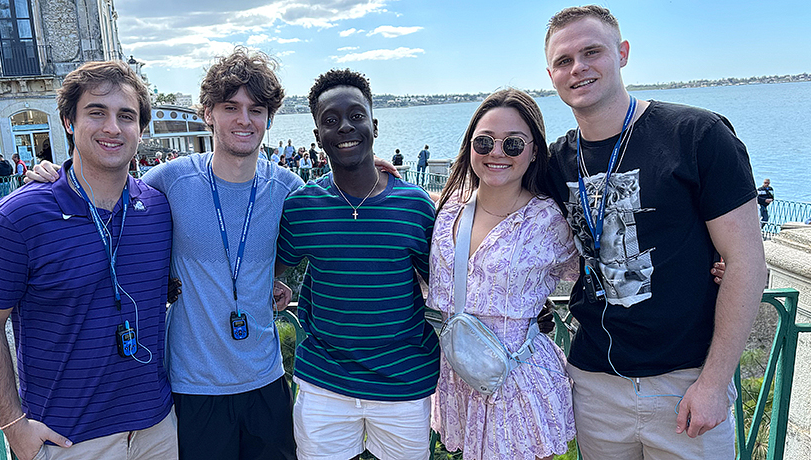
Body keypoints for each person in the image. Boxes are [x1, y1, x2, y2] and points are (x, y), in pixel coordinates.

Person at [26, 47, 301, 460]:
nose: (244, 120)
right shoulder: (169, 180)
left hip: (266, 381)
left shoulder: (289, 189)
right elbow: (107, 193)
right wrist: (55, 174)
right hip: (191, 388)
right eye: (230, 107)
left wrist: (370, 169)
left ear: (269, 118)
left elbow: (337, 216)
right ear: (208, 112)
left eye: (256, 109)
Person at [543, 6, 766, 458]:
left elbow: (746, 262)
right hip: (595, 383)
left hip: (685, 382)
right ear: (551, 75)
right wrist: (379, 178)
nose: (578, 68)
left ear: (622, 54)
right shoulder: (556, 162)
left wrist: (714, 382)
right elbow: (492, 200)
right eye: (564, 61)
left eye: (592, 52)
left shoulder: (697, 135)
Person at [0, 60, 177, 460]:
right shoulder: (19, 218)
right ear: (68, 121)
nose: (112, 128)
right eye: (97, 112)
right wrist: (13, 427)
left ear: (140, 130)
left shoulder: (159, 208)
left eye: (126, 116)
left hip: (157, 430)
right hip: (68, 440)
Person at [276, 69, 438, 460]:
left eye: (356, 116)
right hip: (324, 383)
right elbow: (266, 270)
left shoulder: (414, 204)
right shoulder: (301, 207)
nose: (345, 127)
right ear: (318, 137)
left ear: (374, 124)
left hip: (404, 381)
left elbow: (443, 282)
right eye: (330, 121)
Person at [429, 89, 576, 459]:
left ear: (533, 151)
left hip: (518, 380)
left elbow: (599, 269)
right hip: (460, 372)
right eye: (484, 142)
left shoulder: (548, 220)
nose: (497, 153)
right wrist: (378, 178)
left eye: (512, 144)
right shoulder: (447, 210)